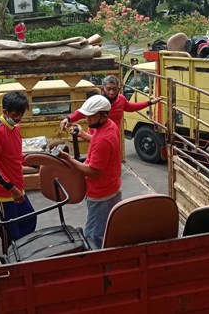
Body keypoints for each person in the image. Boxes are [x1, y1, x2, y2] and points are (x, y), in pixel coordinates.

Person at [60, 95, 122, 246]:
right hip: (111, 188)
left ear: (103, 115)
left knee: (94, 236)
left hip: (101, 195)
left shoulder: (103, 140)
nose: (87, 119)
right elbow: (97, 140)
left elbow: (93, 172)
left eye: (91, 116)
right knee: (107, 229)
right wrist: (82, 133)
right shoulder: (110, 125)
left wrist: (69, 160)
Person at [0, 91, 36, 249]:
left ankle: (22, 250)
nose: (18, 118)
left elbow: (15, 155)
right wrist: (12, 189)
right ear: (5, 112)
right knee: (9, 231)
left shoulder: (15, 127)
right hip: (4, 192)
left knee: (29, 218)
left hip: (17, 187)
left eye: (21, 114)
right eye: (15, 115)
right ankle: (10, 258)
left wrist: (34, 162)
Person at [60, 75, 162, 132]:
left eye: (114, 89)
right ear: (102, 89)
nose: (111, 92)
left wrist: (150, 102)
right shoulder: (97, 101)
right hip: (96, 135)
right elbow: (81, 113)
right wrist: (68, 119)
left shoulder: (121, 99)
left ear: (118, 89)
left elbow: (131, 107)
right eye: (108, 89)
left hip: (113, 135)